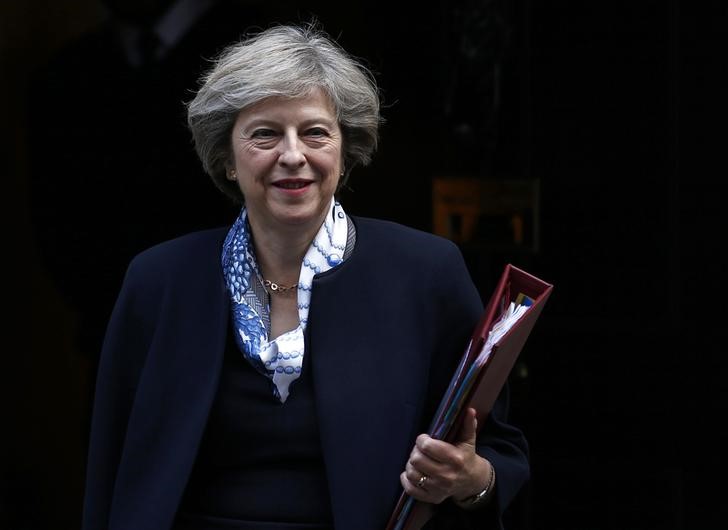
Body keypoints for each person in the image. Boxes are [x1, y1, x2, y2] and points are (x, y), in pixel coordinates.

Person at [81, 22, 530, 530]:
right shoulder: (158, 282)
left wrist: (473, 480)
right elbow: (110, 465)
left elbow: (496, 450)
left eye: (315, 132)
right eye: (265, 133)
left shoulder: (426, 274)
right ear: (227, 158)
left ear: (345, 149)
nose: (292, 155)